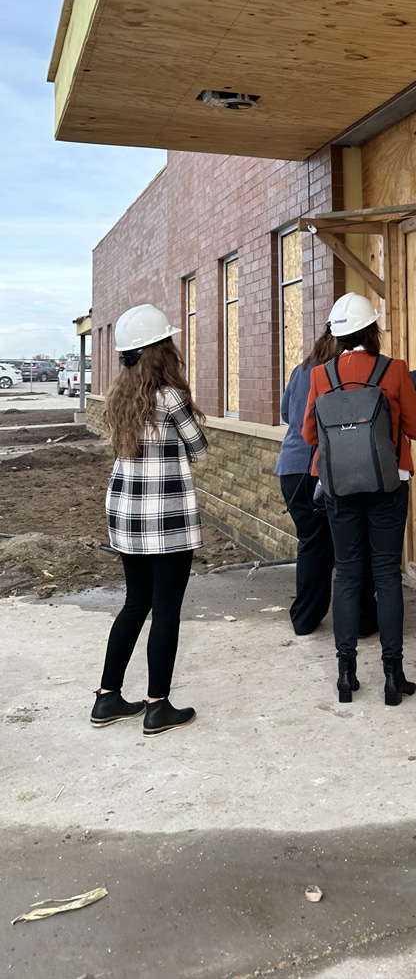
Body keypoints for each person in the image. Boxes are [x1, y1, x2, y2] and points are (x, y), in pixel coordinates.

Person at [277, 327, 416, 637]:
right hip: (335, 470)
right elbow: (402, 389)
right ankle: (364, 622)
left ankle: (307, 620)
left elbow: (289, 416)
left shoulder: (304, 371)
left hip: (293, 469)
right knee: (358, 555)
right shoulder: (348, 372)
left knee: (314, 547)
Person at [301, 293, 416, 706]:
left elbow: (308, 434)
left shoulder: (320, 375)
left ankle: (346, 675)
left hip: (339, 487)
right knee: (387, 575)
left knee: (348, 575)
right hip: (388, 484)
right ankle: (393, 677)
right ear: (372, 329)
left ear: (337, 335)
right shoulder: (395, 370)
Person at [90, 304, 207, 737]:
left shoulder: (119, 397)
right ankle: (158, 707)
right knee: (167, 609)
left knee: (135, 603)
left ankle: (107, 697)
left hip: (126, 514)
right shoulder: (171, 398)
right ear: (159, 350)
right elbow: (200, 449)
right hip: (166, 517)